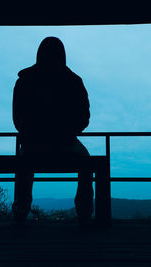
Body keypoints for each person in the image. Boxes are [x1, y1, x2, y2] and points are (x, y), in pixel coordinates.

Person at [12, 36, 93, 224]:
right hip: (68, 143)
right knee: (86, 161)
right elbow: (84, 117)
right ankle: (84, 210)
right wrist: (67, 131)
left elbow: (18, 119)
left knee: (23, 162)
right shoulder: (74, 81)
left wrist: (34, 133)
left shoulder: (24, 81)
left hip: (33, 144)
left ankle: (21, 209)